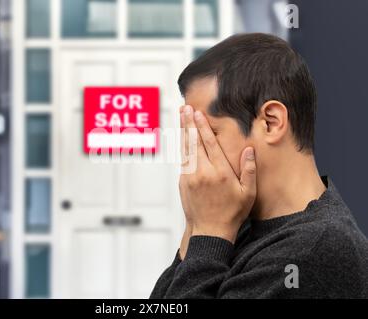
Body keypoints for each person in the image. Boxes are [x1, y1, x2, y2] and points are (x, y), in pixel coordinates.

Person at [150, 33, 368, 299]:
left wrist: (208, 236)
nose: (194, 157)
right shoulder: (238, 224)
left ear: (271, 122)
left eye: (209, 134)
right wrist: (196, 227)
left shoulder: (317, 249)